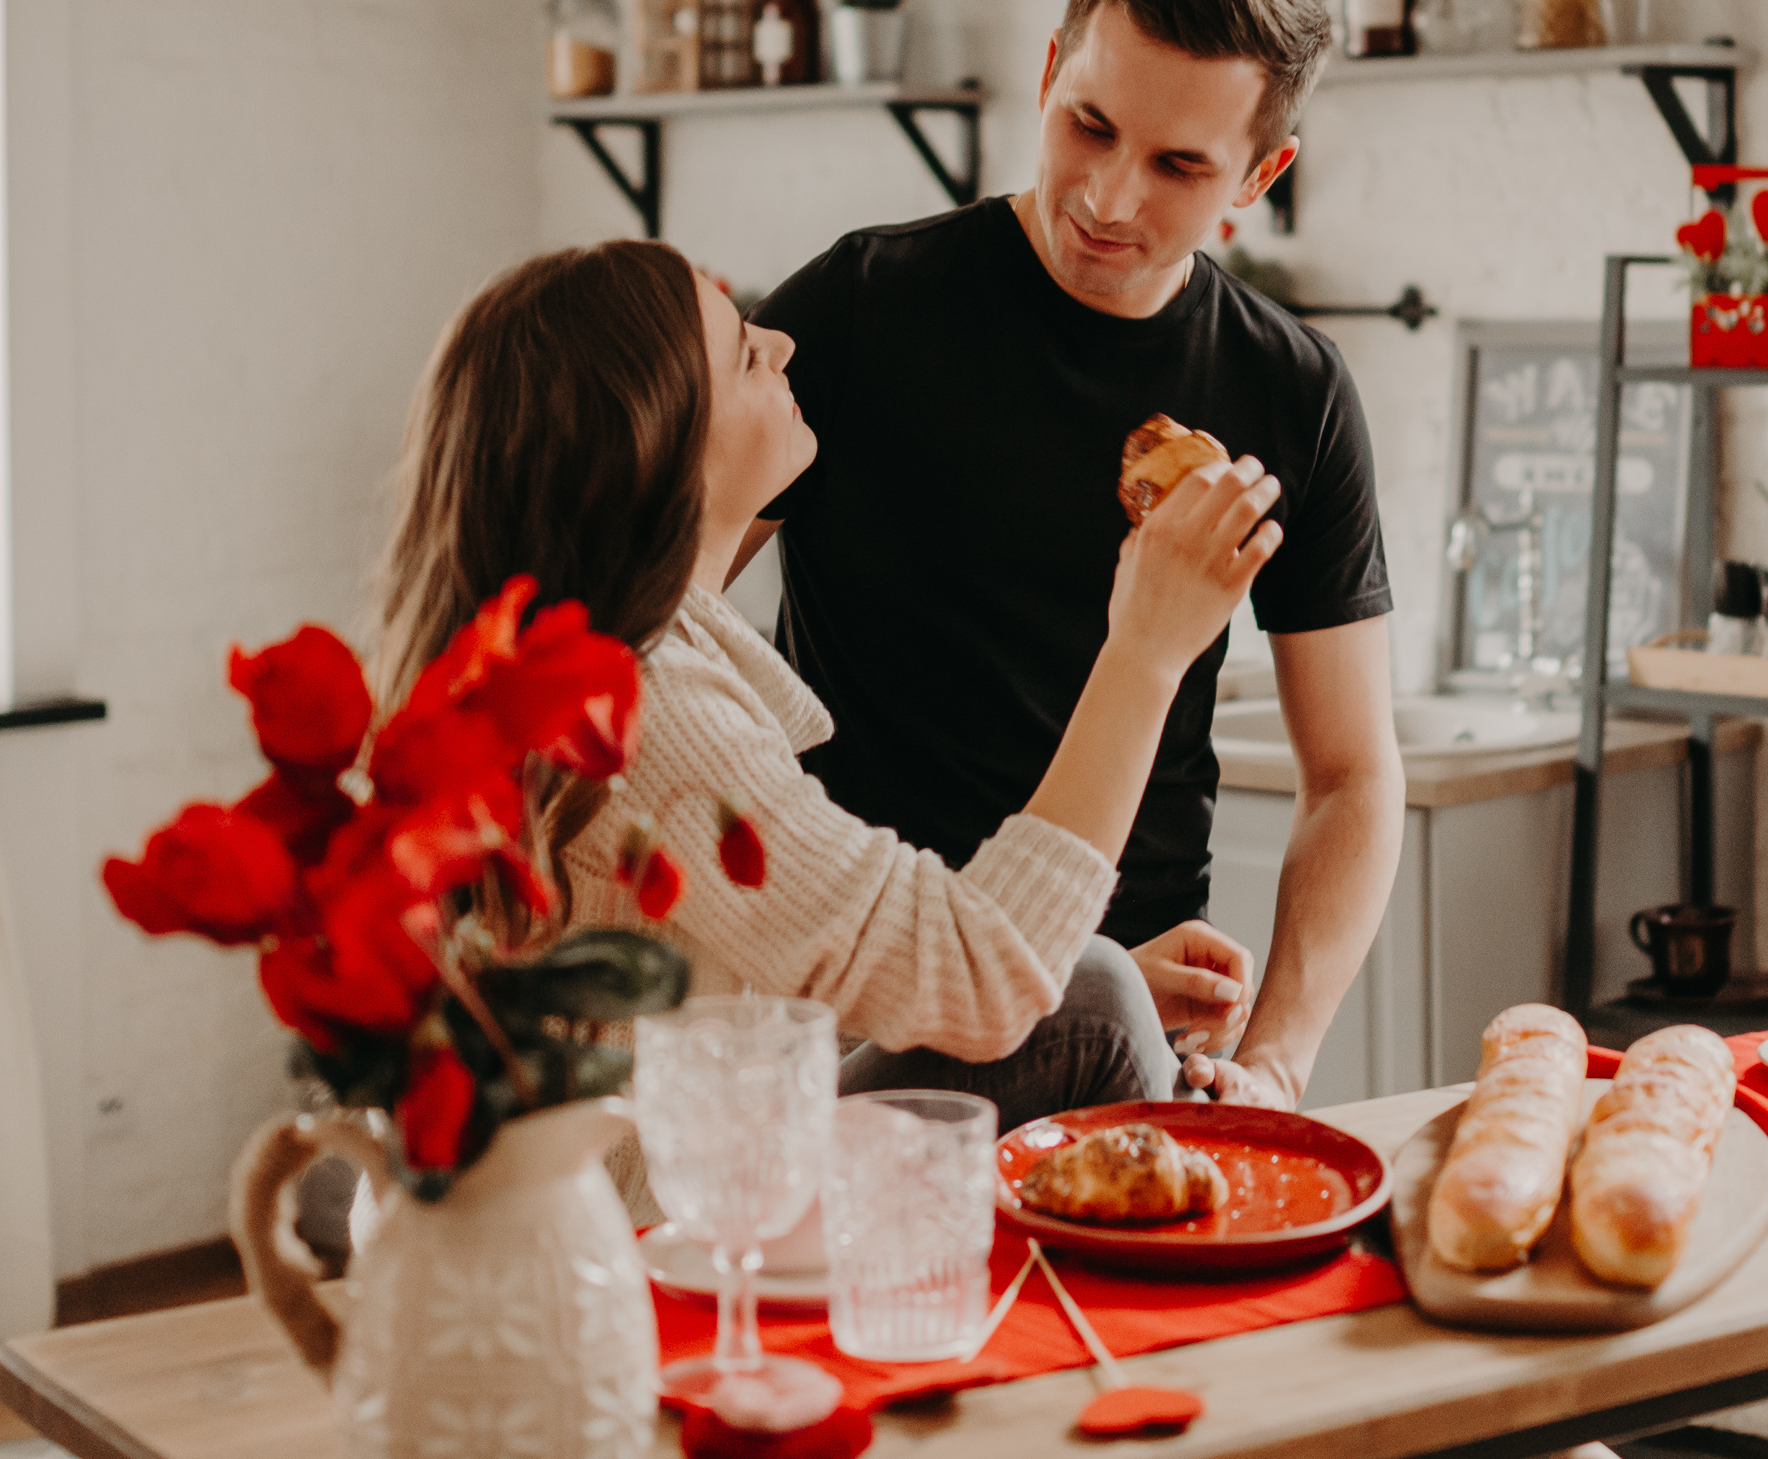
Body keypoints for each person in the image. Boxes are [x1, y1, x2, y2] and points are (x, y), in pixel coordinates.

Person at [376, 238, 1282, 1130]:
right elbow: (972, 981)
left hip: (684, 1166)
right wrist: (1148, 650)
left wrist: (1065, 964)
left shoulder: (613, 675)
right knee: (1092, 1000)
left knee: (1092, 983)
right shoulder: (651, 711)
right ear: (657, 450)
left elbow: (781, 981)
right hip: (674, 1226)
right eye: (743, 354)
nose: (783, 345)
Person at [739, 0, 1407, 1109]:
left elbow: (1353, 776)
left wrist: (1277, 1058)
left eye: (1178, 166)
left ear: (1259, 175)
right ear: (1048, 73)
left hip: (1138, 1028)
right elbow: (653, 616)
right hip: (872, 1019)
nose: (1107, 196)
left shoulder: (1291, 392)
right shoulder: (862, 309)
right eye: (1087, 125)